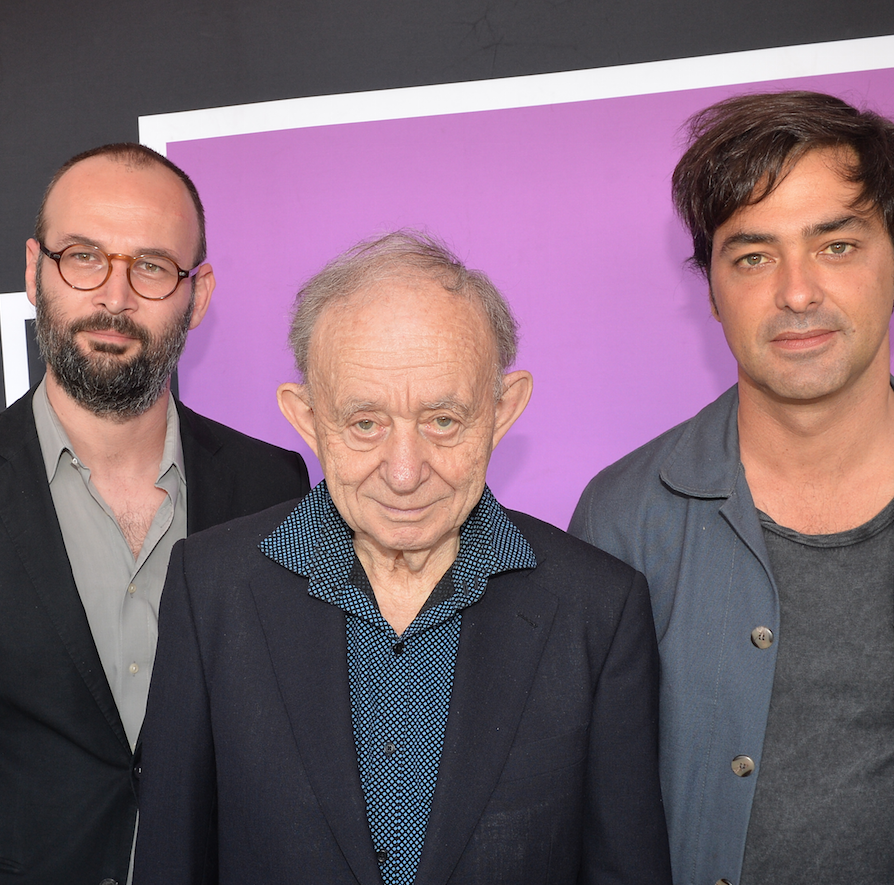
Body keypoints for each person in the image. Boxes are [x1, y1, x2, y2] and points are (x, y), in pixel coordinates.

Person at [572, 91, 894, 885]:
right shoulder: (621, 520)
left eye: (836, 246)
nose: (795, 292)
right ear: (710, 290)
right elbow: (605, 804)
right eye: (752, 256)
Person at [134, 231, 670, 885]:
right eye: (365, 422)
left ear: (502, 410)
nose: (405, 470)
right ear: (305, 418)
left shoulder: (598, 608)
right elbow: (172, 859)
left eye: (442, 419)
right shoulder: (209, 587)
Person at [0, 143, 309, 885]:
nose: (115, 296)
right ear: (34, 270)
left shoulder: (274, 484)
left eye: (152, 265)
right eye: (83, 257)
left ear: (197, 296)